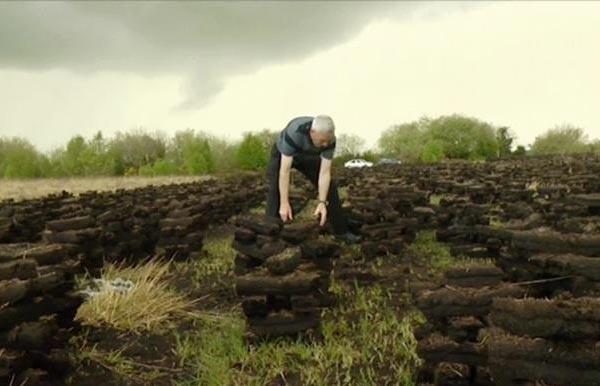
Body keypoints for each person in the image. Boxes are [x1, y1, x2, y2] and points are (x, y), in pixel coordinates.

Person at [266, 115, 361, 244]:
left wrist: (322, 202)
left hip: (306, 155)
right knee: (275, 188)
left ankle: (341, 231)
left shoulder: (330, 140)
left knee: (330, 188)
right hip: (282, 154)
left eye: (327, 141)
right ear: (312, 132)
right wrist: (284, 203)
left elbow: (324, 173)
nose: (325, 144)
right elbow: (285, 171)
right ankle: (269, 235)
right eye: (322, 141)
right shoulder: (294, 132)